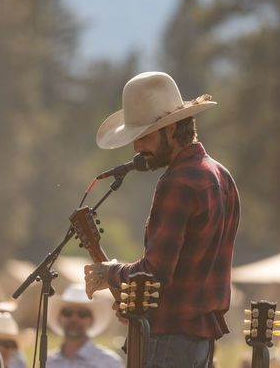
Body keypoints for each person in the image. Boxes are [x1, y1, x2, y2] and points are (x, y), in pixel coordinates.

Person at [84, 71, 241, 368]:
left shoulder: (177, 182)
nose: (137, 148)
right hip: (200, 342)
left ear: (170, 130)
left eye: (143, 136)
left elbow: (156, 272)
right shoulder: (222, 176)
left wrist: (111, 272)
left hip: (168, 341)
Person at [46, 282, 124, 368]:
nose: (74, 319)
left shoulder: (109, 363)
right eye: (68, 313)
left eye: (82, 314)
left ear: (91, 320)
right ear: (60, 317)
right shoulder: (48, 362)